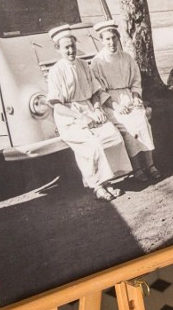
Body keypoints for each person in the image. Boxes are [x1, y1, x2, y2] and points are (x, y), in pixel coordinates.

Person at [46, 24, 133, 202]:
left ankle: (108, 180)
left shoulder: (84, 65)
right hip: (69, 117)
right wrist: (81, 117)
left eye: (73, 46)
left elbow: (94, 92)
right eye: (66, 48)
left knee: (113, 136)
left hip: (89, 109)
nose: (71, 50)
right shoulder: (56, 71)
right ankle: (97, 185)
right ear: (58, 49)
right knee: (93, 144)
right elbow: (56, 105)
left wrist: (97, 108)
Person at [90, 20, 161, 183]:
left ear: (118, 38)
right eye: (107, 39)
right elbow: (98, 89)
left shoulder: (127, 57)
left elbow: (136, 79)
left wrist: (136, 96)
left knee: (142, 121)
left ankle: (150, 164)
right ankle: (137, 168)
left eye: (114, 38)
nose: (111, 42)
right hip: (111, 102)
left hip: (128, 96)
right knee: (127, 127)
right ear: (101, 40)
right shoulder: (97, 62)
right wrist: (114, 105)